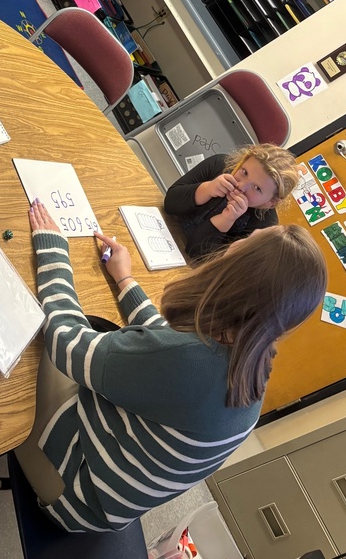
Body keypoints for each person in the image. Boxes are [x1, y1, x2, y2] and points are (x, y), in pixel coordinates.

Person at [18, 199, 326, 532]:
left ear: (237, 277)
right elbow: (166, 344)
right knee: (91, 336)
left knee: (35, 340)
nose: (234, 244)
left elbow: (68, 343)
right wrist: (125, 282)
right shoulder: (251, 364)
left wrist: (53, 250)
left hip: (73, 489)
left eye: (244, 244)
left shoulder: (187, 362)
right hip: (109, 501)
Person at [162, 144, 300, 261]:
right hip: (162, 227)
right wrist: (207, 189)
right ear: (241, 161)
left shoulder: (263, 227)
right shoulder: (219, 164)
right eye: (244, 172)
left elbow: (198, 255)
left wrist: (226, 219)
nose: (241, 186)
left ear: (270, 202)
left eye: (257, 188)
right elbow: (169, 203)